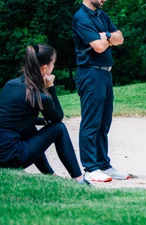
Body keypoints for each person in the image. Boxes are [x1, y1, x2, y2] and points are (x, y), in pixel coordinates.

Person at [0, 44, 89, 185]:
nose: (54, 66)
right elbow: (58, 117)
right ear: (45, 68)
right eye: (53, 63)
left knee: (28, 127)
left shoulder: (10, 85)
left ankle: (50, 175)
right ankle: (79, 179)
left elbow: (16, 119)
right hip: (11, 157)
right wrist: (51, 87)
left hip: (2, 152)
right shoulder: (39, 95)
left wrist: (43, 121)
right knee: (59, 128)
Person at [72, 0, 127, 182]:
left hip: (105, 73)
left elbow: (120, 37)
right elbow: (99, 46)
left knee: (104, 121)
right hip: (90, 73)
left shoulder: (101, 15)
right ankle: (90, 167)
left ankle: (104, 164)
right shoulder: (81, 18)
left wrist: (104, 35)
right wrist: (106, 38)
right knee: (91, 121)